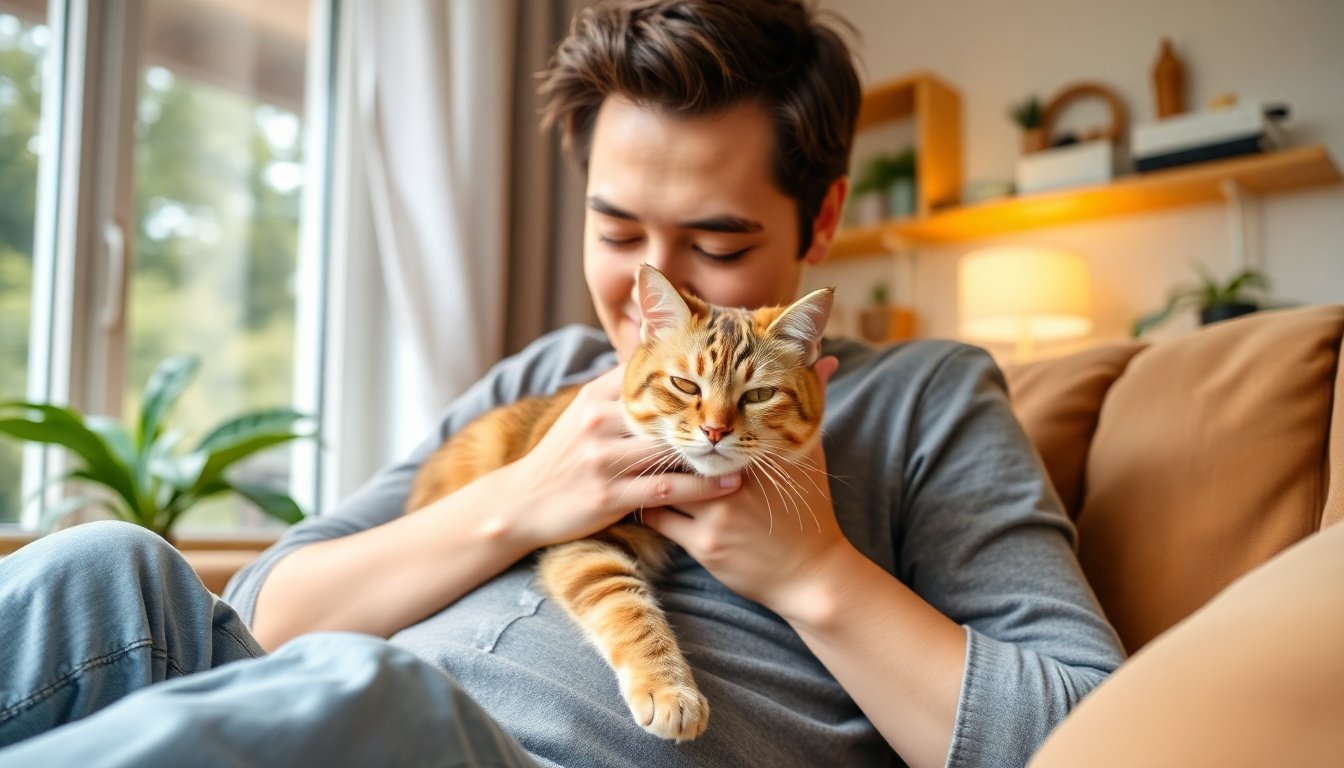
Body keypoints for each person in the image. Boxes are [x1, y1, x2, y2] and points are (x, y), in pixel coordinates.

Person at [0, 1, 1124, 766]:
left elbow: (1095, 734)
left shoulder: (929, 398)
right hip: (311, 697)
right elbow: (261, 612)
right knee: (110, 573)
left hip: (468, 741)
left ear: (821, 219)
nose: (653, 290)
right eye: (616, 228)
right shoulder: (544, 375)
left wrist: (814, 571)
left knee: (369, 698)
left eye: (718, 243)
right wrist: (517, 501)